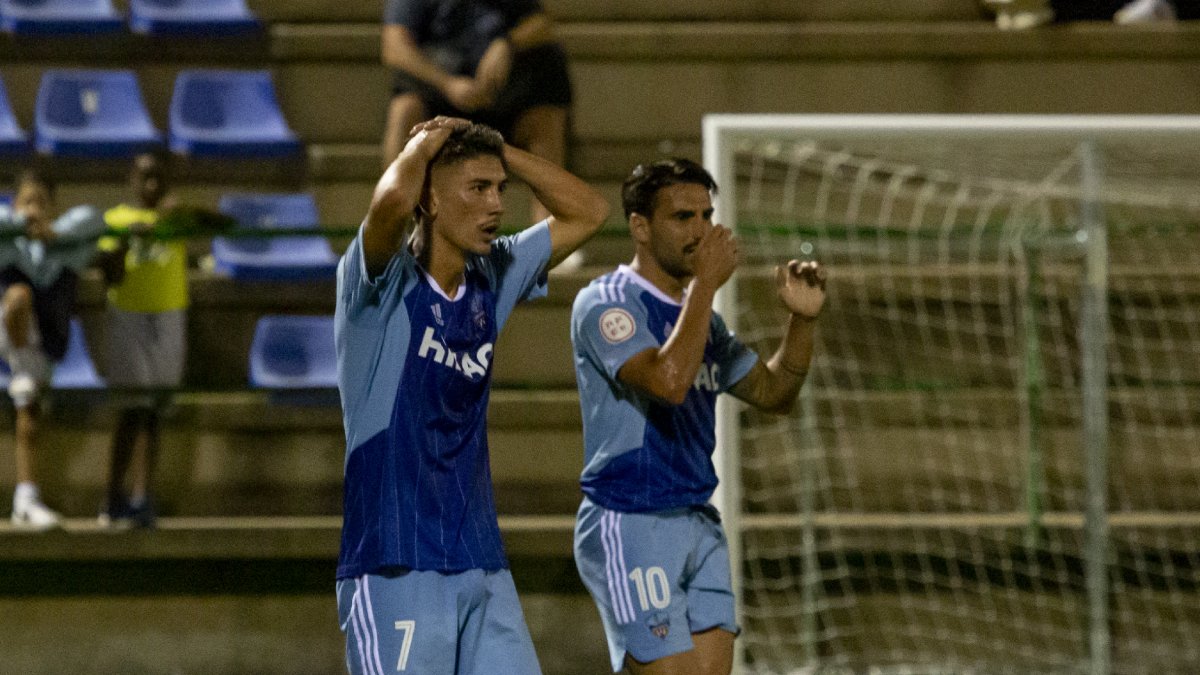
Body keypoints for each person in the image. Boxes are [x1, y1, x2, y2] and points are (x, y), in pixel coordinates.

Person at [333, 116, 608, 674]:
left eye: (500, 189)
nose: (497, 205)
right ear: (430, 200)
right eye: (478, 188)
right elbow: (390, 205)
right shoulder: (378, 285)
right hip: (394, 560)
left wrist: (501, 151)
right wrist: (424, 144)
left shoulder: (492, 276)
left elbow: (589, 212)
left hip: (481, 562)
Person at [570, 159, 827, 675]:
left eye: (706, 216)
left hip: (696, 520)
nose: (701, 230)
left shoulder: (702, 322)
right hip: (631, 518)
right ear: (640, 227)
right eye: (682, 217)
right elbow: (668, 383)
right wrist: (706, 286)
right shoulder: (607, 302)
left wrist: (801, 320)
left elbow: (774, 393)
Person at [380, 0, 573, 222]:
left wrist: (507, 45)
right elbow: (393, 46)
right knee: (404, 109)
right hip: (439, 101)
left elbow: (542, 24)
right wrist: (447, 84)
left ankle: (550, 227)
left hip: (502, 100)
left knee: (546, 103)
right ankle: (391, 223)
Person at [0, 169, 106, 530]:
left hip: (43, 345)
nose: (33, 209)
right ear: (15, 204)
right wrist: (20, 222)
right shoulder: (9, 241)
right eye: (26, 201)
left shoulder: (68, 248)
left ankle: (26, 500)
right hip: (8, 335)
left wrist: (55, 233)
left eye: (41, 203)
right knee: (17, 295)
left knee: (28, 410)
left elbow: (94, 219)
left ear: (53, 208)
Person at [94, 153, 189, 528]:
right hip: (129, 317)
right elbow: (110, 274)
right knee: (131, 409)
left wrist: (169, 218)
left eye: (158, 178)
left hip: (168, 315)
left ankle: (142, 497)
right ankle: (111, 497)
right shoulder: (116, 219)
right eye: (145, 177)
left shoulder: (175, 219)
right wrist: (127, 239)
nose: (152, 185)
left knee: (153, 412)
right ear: (131, 180)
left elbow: (221, 223)